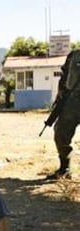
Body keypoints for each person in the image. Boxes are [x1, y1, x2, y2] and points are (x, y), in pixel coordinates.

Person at [46, 49, 80, 180]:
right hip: (72, 101)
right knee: (60, 133)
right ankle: (64, 169)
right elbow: (64, 74)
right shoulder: (74, 55)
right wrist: (60, 91)